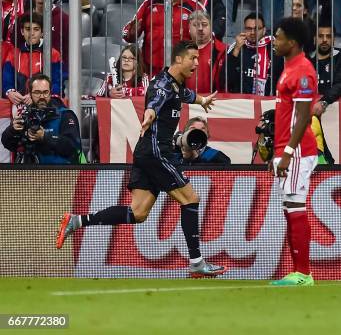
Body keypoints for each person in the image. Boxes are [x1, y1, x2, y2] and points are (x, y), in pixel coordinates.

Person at [56, 41, 227, 279]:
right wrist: (149, 115)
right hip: (157, 151)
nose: (197, 63)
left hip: (147, 152)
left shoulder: (175, 84)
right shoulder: (161, 86)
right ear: (178, 60)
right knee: (191, 199)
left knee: (138, 213)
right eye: (193, 58)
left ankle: (77, 221)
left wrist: (202, 100)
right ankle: (197, 262)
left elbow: (185, 94)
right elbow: (154, 104)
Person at [269, 17, 318, 286]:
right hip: (286, 149)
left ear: (293, 42)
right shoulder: (289, 67)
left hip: (297, 150)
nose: (274, 41)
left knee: (296, 206)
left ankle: (304, 273)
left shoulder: (303, 71)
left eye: (278, 37)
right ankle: (299, 271)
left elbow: (303, 118)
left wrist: (287, 152)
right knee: (290, 207)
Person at [122, 0, 194, 76]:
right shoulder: (149, 4)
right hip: (150, 72)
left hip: (181, 73)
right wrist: (132, 31)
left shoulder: (194, 7)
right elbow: (127, 34)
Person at [1, 73, 81, 164]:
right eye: (37, 92)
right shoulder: (26, 115)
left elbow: (72, 147)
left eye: (45, 92)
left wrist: (45, 137)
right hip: (30, 174)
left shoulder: (65, 115)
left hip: (60, 174)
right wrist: (12, 130)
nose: (42, 97)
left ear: (50, 92)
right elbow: (7, 144)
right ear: (30, 94)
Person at [3, 12, 66, 102]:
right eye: (28, 29)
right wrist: (9, 92)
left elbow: (58, 83)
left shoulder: (53, 54)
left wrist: (38, 96)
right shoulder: (13, 54)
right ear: (22, 31)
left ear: (42, 32)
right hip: (17, 105)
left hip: (45, 105)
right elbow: (6, 80)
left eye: (36, 29)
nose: (32, 33)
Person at [221, 12, 281, 95]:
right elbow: (225, 79)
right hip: (241, 102)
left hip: (267, 103)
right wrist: (236, 50)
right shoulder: (236, 47)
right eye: (249, 29)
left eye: (257, 29)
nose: (252, 32)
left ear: (264, 30)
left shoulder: (275, 49)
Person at [308, 19, 341, 117]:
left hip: (336, 113)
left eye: (328, 36)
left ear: (334, 39)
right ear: (314, 39)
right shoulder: (307, 60)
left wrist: (324, 101)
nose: (324, 40)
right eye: (320, 36)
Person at [185, 10, 226, 94]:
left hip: (214, 102)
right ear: (189, 28)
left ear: (211, 27)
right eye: (196, 25)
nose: (200, 28)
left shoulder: (222, 50)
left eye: (204, 25)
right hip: (187, 103)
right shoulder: (181, 50)